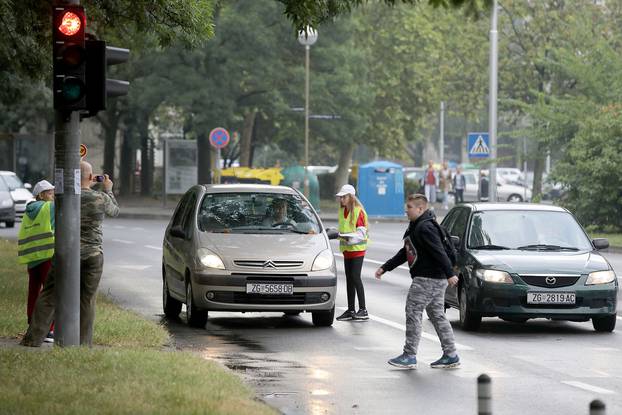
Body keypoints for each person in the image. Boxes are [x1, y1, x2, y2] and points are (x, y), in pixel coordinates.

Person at [21, 161, 119, 347]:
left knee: (49, 294)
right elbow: (115, 211)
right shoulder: (100, 198)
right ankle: (83, 344)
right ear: (91, 178)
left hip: (66, 254)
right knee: (87, 299)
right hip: (93, 255)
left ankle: (33, 339)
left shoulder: (63, 198)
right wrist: (108, 189)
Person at [374, 194, 460, 369]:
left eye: (410, 207)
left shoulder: (425, 228)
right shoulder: (417, 226)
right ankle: (451, 354)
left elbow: (438, 251)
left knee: (413, 311)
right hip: (435, 279)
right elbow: (405, 251)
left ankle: (409, 355)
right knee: (437, 315)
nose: (406, 210)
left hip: (427, 279)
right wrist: (385, 267)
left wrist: (450, 273)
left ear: (420, 209)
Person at [17, 180, 56, 343]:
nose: (53, 196)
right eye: (49, 193)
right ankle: (48, 330)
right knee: (50, 293)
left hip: (32, 258)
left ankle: (31, 324)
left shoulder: (29, 210)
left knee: (34, 291)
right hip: (46, 255)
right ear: (41, 195)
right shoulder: (48, 207)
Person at [335, 184, 370, 322]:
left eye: (344, 197)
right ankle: (351, 310)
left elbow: (361, 234)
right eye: (340, 197)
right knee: (350, 279)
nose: (341, 199)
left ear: (351, 197)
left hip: (357, 250)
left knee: (355, 277)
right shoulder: (341, 211)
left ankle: (363, 310)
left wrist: (344, 236)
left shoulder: (358, 211)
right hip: (347, 251)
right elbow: (343, 231)